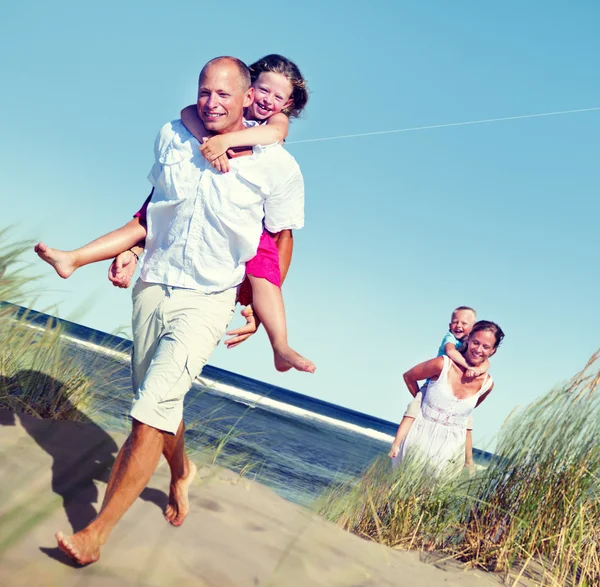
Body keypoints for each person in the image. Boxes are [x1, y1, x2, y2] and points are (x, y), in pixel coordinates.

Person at [55, 56, 306, 566]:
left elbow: (279, 240)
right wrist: (127, 248)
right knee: (158, 404)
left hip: (209, 298)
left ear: (248, 101)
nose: (216, 103)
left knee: (147, 416)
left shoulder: (276, 162)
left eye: (226, 95)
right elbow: (156, 203)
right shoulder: (176, 133)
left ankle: (96, 533)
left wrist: (261, 302)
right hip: (153, 286)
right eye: (206, 92)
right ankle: (181, 470)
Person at [33, 54, 314, 375]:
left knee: (264, 271)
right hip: (184, 213)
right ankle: (75, 258)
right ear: (249, 88)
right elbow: (187, 115)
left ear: (288, 104)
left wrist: (227, 141)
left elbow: (275, 137)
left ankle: (279, 344)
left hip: (244, 228)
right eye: (264, 90)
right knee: (143, 220)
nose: (268, 100)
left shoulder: (275, 134)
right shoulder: (211, 113)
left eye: (279, 97)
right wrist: (209, 140)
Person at [390, 320, 504, 478]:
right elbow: (409, 377)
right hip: (418, 438)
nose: (478, 350)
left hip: (450, 450)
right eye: (476, 343)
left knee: (431, 500)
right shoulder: (442, 364)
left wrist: (468, 460)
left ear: (493, 351)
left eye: (485, 347)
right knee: (397, 494)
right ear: (468, 339)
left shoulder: (487, 385)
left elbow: (464, 418)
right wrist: (421, 401)